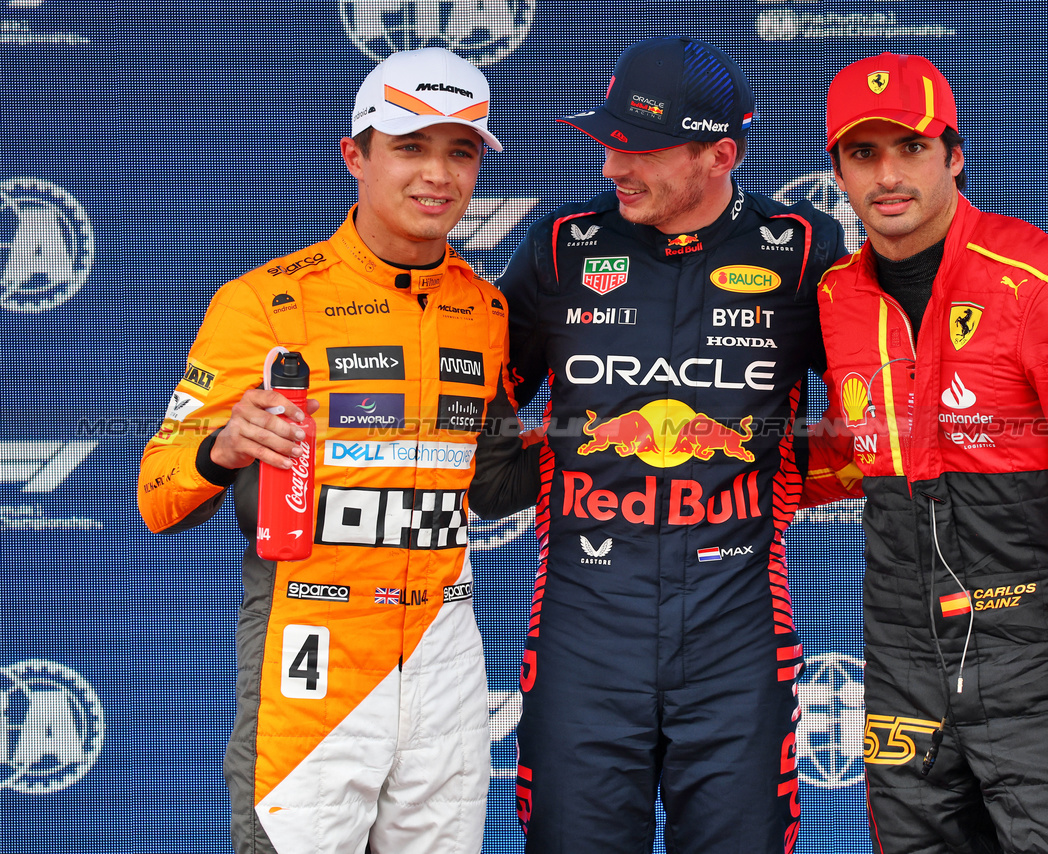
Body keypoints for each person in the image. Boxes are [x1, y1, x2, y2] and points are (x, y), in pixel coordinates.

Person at [137, 48, 534, 854]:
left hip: (443, 651)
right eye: (411, 146)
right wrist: (222, 445)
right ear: (355, 155)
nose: (439, 175)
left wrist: (613, 437)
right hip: (311, 652)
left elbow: (492, 486)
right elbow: (157, 494)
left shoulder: (485, 309)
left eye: (461, 151)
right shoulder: (264, 301)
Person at [802, 52, 1048, 853]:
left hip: (1042, 672)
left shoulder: (1046, 281)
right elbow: (856, 453)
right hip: (903, 666)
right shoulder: (837, 297)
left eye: (911, 147)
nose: (888, 175)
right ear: (836, 169)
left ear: (955, 154)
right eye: (863, 153)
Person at [496, 36, 845, 853]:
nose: (614, 166)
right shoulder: (558, 248)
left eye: (640, 147)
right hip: (584, 629)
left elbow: (886, 417)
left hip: (739, 633)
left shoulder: (802, 252)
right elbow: (476, 410)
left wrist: (788, 473)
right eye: (608, 141)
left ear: (720, 154)